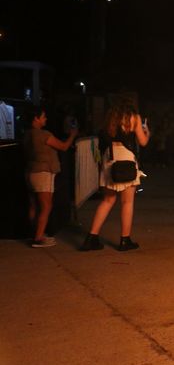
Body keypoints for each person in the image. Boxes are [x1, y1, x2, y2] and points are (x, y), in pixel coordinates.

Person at [81, 100, 149, 252]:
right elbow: (143, 142)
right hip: (127, 159)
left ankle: (91, 237)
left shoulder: (111, 117)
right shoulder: (134, 117)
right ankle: (125, 240)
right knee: (127, 202)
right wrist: (147, 132)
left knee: (108, 200)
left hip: (110, 158)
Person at [24, 106, 78, 247]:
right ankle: (39, 238)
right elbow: (63, 146)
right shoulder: (43, 135)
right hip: (43, 172)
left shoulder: (27, 134)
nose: (45, 119)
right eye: (43, 116)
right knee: (46, 206)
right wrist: (73, 135)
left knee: (34, 205)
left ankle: (34, 233)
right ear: (36, 118)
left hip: (30, 172)